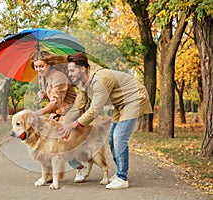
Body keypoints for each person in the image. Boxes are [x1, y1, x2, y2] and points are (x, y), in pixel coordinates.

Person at [59, 52, 153, 189]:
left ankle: (122, 177)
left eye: (72, 70)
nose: (70, 74)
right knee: (111, 139)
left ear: (83, 69)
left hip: (134, 98)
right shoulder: (83, 84)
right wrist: (63, 124)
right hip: (120, 103)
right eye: (69, 71)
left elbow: (94, 110)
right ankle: (119, 172)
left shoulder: (99, 80)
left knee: (119, 137)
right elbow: (77, 107)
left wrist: (74, 125)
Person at [31, 51, 88, 183]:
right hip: (57, 114)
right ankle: (49, 174)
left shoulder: (59, 77)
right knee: (45, 141)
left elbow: (56, 102)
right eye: (36, 66)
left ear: (49, 64)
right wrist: (44, 95)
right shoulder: (44, 77)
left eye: (41, 66)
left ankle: (80, 167)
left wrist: (38, 113)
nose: (38, 69)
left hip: (69, 112)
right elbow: (52, 96)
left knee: (61, 143)